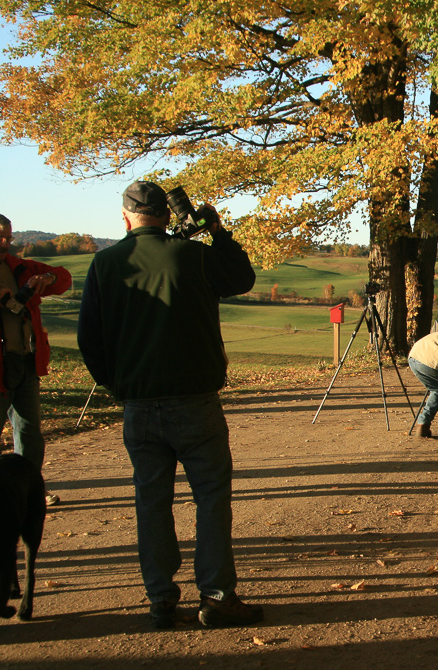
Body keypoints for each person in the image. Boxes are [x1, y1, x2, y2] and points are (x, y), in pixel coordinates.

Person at [77, 181, 261, 630]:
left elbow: (89, 338)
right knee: (211, 498)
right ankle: (217, 596)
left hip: (138, 403)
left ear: (125, 218)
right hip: (196, 400)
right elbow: (242, 278)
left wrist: (114, 383)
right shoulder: (194, 255)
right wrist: (216, 230)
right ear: (166, 215)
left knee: (152, 501)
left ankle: (161, 599)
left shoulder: (104, 264)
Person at [0, 214, 72, 507]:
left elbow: (63, 277)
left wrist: (48, 278)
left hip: (26, 362)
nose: (7, 243)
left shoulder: (20, 266)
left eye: (9, 237)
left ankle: (29, 491)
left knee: (29, 432)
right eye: (1, 237)